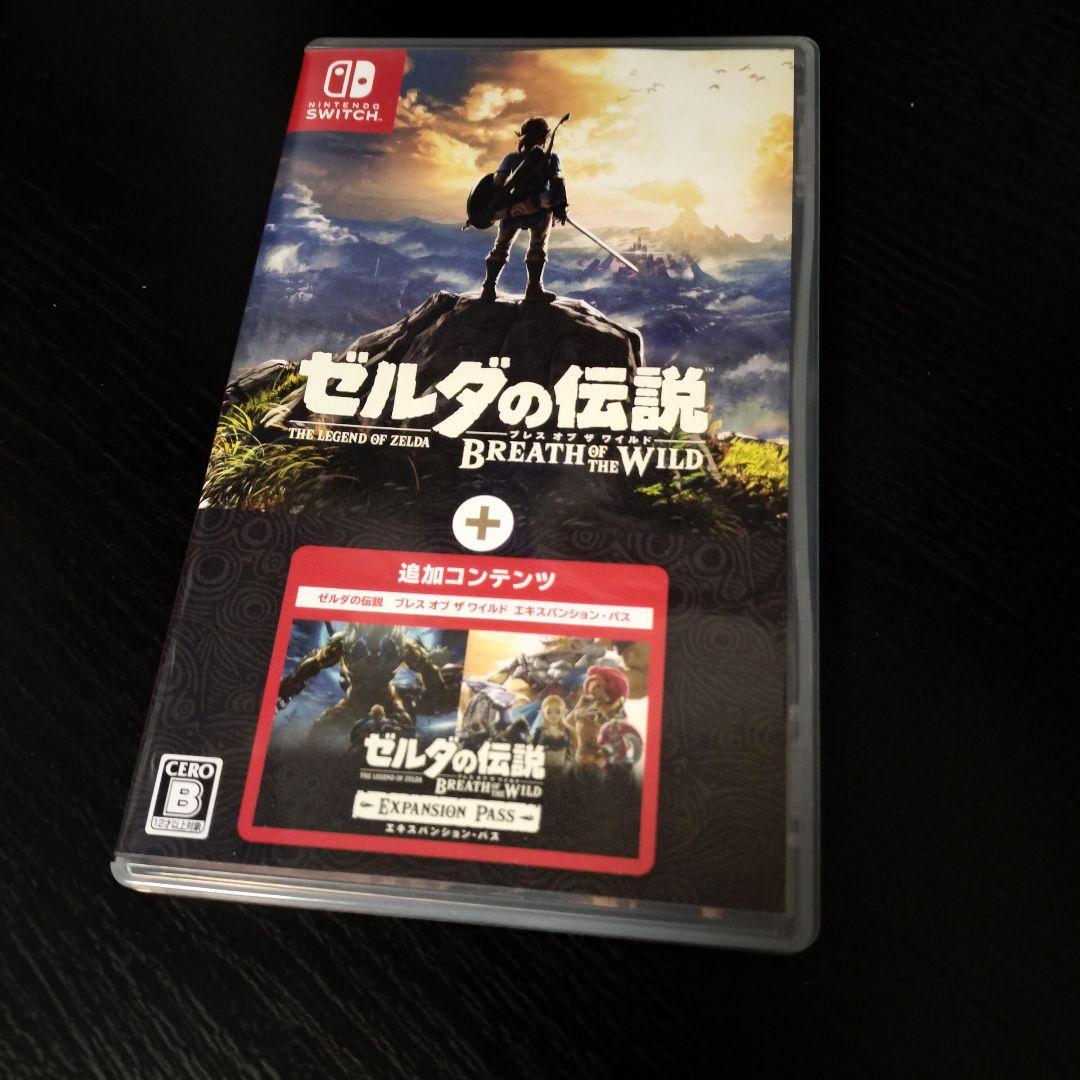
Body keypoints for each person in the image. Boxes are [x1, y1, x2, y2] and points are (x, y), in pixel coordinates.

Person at [480, 116, 568, 303]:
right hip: (539, 209)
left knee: (500, 247)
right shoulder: (551, 158)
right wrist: (560, 206)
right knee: (537, 248)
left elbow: (497, 182)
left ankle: (488, 288)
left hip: (512, 210)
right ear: (544, 137)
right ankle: (534, 289)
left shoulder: (511, 158)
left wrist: (494, 204)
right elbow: (557, 182)